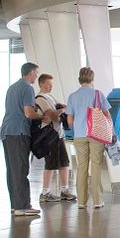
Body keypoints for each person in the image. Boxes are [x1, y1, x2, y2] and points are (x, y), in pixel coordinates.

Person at [1, 62, 58, 217]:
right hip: (19, 132)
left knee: (12, 170)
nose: (36, 76)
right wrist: (42, 116)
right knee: (21, 169)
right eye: (36, 73)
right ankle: (23, 206)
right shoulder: (27, 88)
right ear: (31, 73)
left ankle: (15, 205)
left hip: (7, 132)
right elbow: (28, 113)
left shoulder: (12, 87)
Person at [67, 67, 112, 209]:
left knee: (81, 167)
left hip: (79, 135)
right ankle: (97, 201)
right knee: (96, 166)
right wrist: (111, 130)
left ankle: (81, 201)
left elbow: (69, 119)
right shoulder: (97, 94)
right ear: (92, 79)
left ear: (79, 79)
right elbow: (107, 115)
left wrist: (77, 129)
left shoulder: (72, 96)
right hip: (95, 134)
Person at [36, 74, 76, 203]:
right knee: (50, 164)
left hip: (59, 134)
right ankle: (45, 191)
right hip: (50, 136)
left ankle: (65, 190)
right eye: (48, 84)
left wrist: (60, 109)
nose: (51, 86)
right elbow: (53, 116)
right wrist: (62, 109)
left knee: (64, 163)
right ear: (41, 84)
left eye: (51, 84)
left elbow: (56, 112)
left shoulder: (50, 97)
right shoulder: (40, 98)